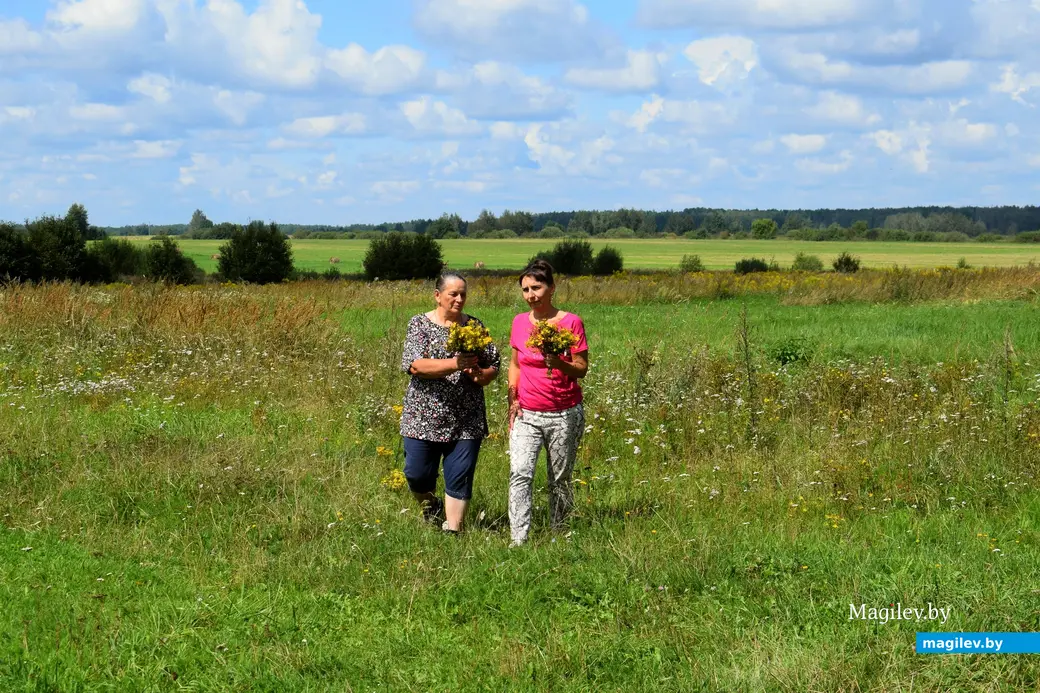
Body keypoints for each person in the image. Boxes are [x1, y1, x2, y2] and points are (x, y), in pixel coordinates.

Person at [399, 272, 500, 534]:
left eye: (463, 294)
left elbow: (494, 366)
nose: (459, 299)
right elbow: (415, 366)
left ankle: (453, 531)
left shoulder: (474, 327)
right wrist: (455, 364)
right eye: (453, 294)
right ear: (437, 296)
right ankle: (431, 506)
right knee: (417, 475)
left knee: (460, 475)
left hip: (466, 419)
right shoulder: (419, 325)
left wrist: (480, 376)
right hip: (422, 417)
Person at [507, 259, 589, 546]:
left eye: (537, 288)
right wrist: (512, 401)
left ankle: (560, 535)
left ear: (552, 288)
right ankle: (518, 539)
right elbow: (515, 364)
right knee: (520, 473)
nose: (531, 295)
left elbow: (581, 368)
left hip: (563, 413)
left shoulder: (570, 322)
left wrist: (560, 363)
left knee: (560, 478)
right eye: (526, 289)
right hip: (527, 413)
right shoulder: (519, 322)